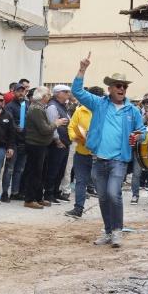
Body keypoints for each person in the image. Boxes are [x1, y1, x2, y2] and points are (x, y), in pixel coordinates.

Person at [70, 54, 145, 247]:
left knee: (113, 194)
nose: (122, 89)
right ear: (110, 88)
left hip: (119, 160)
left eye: (124, 86)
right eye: (118, 85)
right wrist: (82, 69)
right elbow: (77, 91)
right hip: (99, 159)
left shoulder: (132, 110)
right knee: (103, 197)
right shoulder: (99, 103)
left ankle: (117, 230)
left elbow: (142, 131)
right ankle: (108, 230)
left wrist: (138, 136)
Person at [22, 87, 68, 209]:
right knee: (35, 173)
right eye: (48, 94)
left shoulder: (40, 108)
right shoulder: (36, 109)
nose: (50, 96)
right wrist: (56, 123)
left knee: (41, 173)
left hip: (41, 145)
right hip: (35, 145)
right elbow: (45, 129)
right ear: (43, 97)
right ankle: (29, 199)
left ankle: (38, 198)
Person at [65, 86, 104, 218]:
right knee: (80, 181)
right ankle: (78, 209)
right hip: (81, 153)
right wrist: (74, 137)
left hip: (99, 155)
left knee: (101, 183)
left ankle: (108, 211)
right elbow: (71, 126)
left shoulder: (105, 112)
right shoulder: (80, 111)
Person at [44, 84, 73, 203]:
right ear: (58, 93)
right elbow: (53, 124)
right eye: (65, 92)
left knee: (61, 169)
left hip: (65, 142)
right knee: (53, 169)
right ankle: (49, 194)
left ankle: (56, 192)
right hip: (57, 143)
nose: (68, 94)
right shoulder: (52, 107)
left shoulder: (63, 106)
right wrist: (57, 140)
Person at [2, 83, 29, 201]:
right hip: (13, 142)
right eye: (19, 91)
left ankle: (15, 192)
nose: (21, 93)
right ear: (13, 92)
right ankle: (4, 193)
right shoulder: (9, 106)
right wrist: (15, 127)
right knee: (10, 169)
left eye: (23, 91)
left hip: (25, 141)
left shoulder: (27, 105)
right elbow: (6, 123)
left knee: (20, 169)